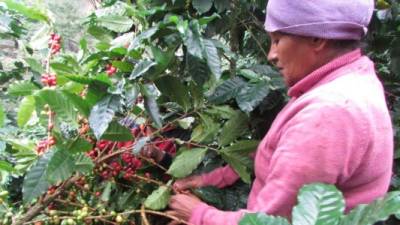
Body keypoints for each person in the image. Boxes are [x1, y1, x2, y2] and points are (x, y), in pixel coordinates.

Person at [147, 0, 394, 224]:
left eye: (277, 40)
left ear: (317, 39)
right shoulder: (349, 82)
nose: (271, 55)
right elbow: (284, 158)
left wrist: (199, 215)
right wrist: (210, 179)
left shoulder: (329, 113)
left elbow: (273, 222)